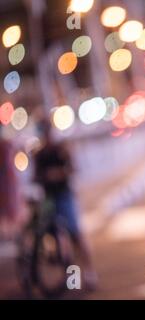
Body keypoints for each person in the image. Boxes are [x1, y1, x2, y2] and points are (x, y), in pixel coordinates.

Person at [34, 119, 97, 290]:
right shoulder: (38, 154)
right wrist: (45, 177)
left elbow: (73, 168)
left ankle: (89, 273)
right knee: (49, 237)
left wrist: (59, 173)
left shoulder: (61, 149)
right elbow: (35, 176)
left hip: (64, 195)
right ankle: (69, 277)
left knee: (76, 234)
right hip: (48, 198)